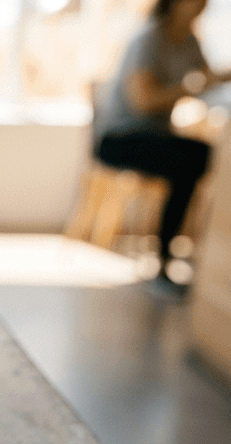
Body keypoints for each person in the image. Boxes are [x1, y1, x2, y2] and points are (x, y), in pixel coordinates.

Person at [94, 0, 231, 297]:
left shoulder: (191, 41)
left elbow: (210, 84)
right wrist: (190, 88)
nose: (202, 5)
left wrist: (217, 79)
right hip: (119, 138)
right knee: (193, 160)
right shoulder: (149, 39)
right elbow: (143, 102)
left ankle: (191, 257)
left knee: (205, 156)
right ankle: (165, 261)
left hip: (157, 137)